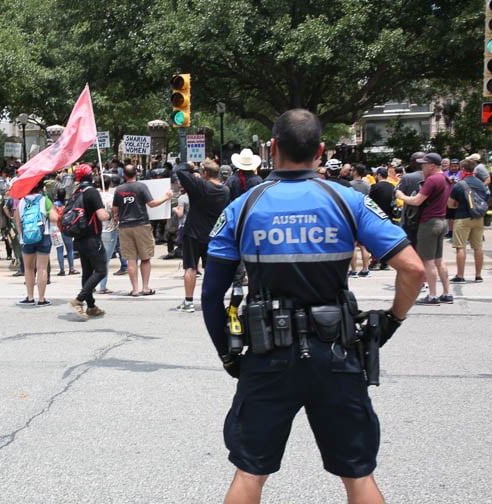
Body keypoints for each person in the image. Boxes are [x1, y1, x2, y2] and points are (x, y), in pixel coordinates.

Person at [201, 109, 424, 504]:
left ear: (272, 149)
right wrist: (392, 321)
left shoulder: (243, 206)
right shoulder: (348, 200)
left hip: (267, 355)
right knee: (358, 474)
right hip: (336, 351)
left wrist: (227, 354)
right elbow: (412, 268)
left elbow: (211, 294)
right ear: (320, 150)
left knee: (250, 471)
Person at [395, 152, 452, 305]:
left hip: (429, 223)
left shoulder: (432, 180)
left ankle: (432, 295)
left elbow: (417, 201)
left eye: (424, 164)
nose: (422, 166)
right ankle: (447, 293)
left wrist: (401, 196)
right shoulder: (445, 179)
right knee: (439, 259)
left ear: (432, 165)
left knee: (428, 261)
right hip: (441, 220)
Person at [174, 159, 229, 313]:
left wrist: (190, 166)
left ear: (204, 173)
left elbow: (180, 171)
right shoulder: (225, 191)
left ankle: (189, 301)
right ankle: (212, 301)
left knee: (190, 267)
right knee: (211, 269)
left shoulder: (200, 186)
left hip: (193, 233)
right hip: (214, 234)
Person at [112, 163, 172, 296]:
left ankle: (134, 289)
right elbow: (152, 204)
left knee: (131, 259)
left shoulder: (119, 189)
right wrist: (166, 197)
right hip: (141, 225)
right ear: (136, 173)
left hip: (125, 226)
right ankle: (145, 288)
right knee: (145, 258)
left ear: (124, 175)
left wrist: (117, 216)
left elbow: (115, 210)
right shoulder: (141, 187)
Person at [67, 164, 110, 320]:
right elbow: (102, 216)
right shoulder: (91, 192)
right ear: (90, 176)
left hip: (78, 238)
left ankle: (91, 306)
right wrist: (109, 212)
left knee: (87, 272)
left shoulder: (75, 192)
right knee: (100, 271)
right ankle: (79, 300)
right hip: (92, 238)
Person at [14, 180, 55, 306]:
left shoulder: (22, 202)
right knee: (42, 267)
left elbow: (17, 222)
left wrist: (23, 236)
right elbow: (54, 218)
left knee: (28, 268)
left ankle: (30, 297)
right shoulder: (45, 200)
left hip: (27, 238)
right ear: (41, 188)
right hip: (43, 235)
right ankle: (42, 299)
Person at [447, 158, 488, 283]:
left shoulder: (460, 184)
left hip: (462, 217)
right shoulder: (481, 183)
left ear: (463, 169)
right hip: (478, 217)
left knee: (461, 247)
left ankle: (460, 275)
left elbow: (450, 204)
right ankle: (478, 275)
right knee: (478, 247)